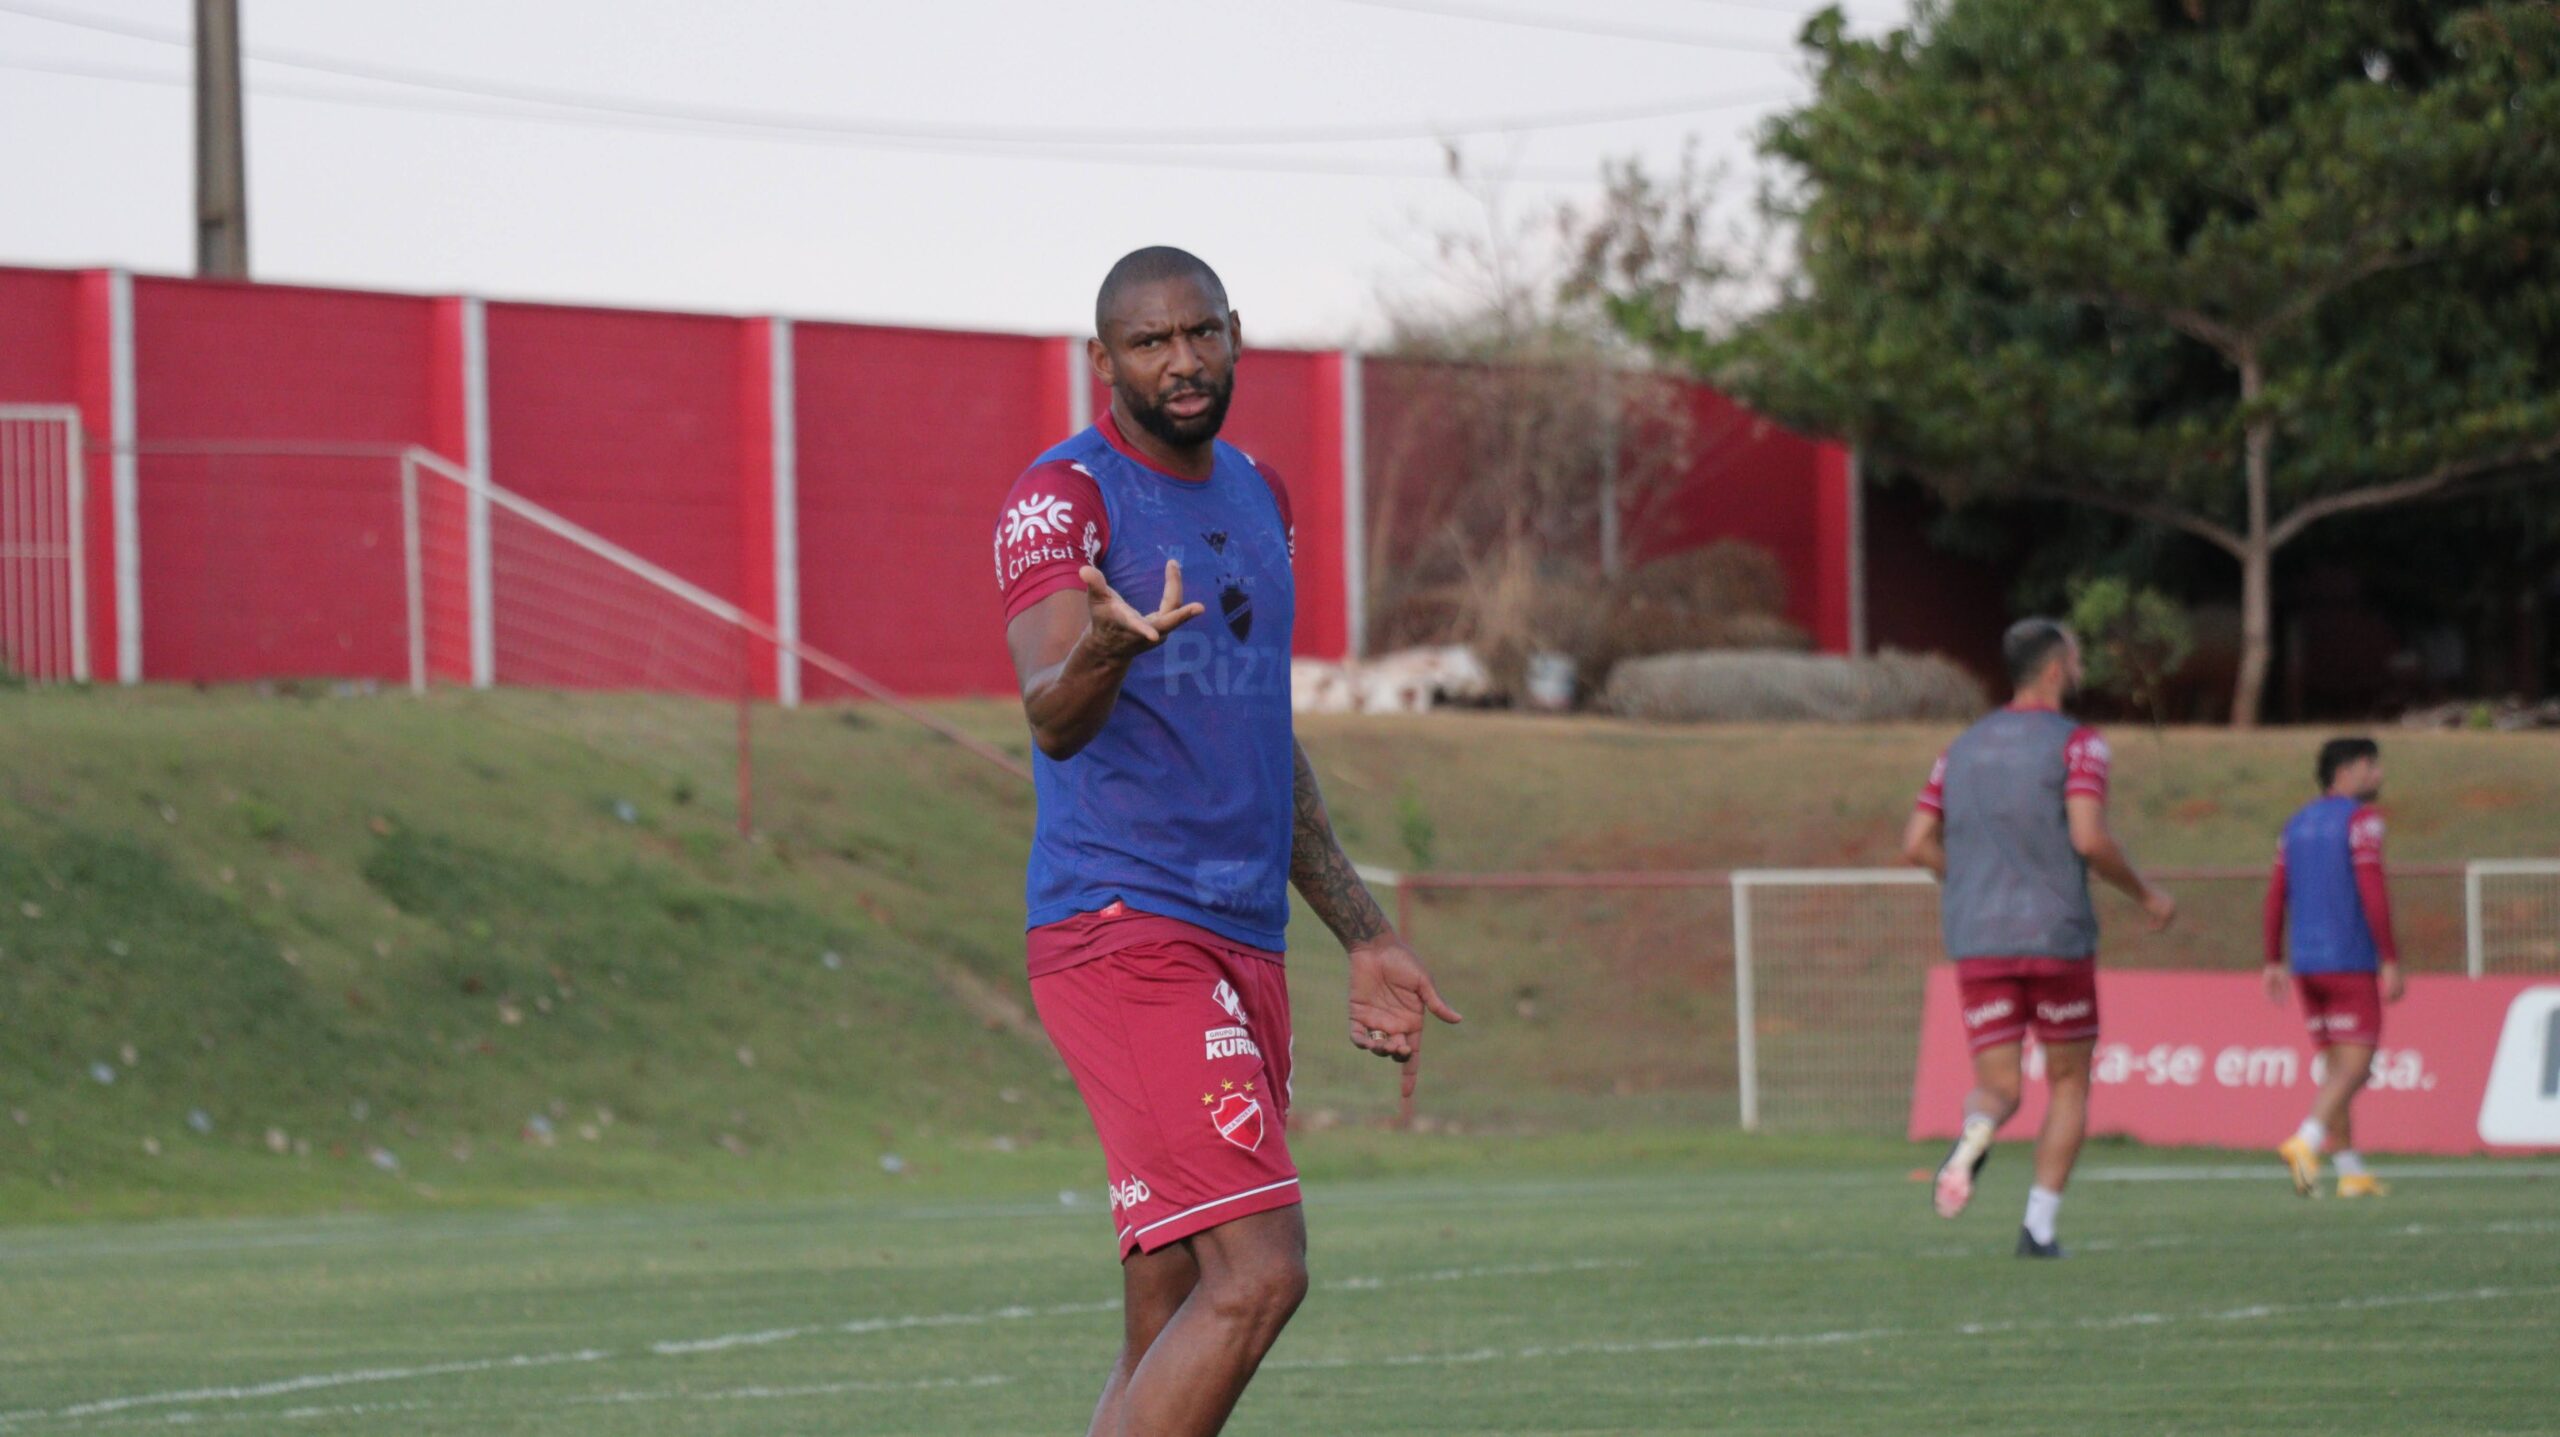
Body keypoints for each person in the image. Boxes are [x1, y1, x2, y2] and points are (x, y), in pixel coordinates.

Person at [994, 246, 1461, 1437]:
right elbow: (1049, 712)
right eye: (1149, 342)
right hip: (1124, 931)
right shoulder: (1063, 499)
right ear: (1104, 361)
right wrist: (1107, 648)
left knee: (1176, 1313)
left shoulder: (1261, 494)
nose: (1182, 360)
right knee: (1259, 1275)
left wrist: (1363, 931)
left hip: (1237, 940)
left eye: (1200, 332)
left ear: (1237, 334)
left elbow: (1264, 740)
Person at [1902, 618, 2176, 1258]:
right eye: (2076, 660)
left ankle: (1976, 1132)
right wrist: (2145, 894)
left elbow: (1915, 843)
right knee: (2069, 1084)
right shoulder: (2078, 745)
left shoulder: (1960, 749)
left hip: (1978, 939)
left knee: (1997, 1087)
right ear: (2056, 669)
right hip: (2055, 937)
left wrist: (1966, 880)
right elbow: (2089, 838)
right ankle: (2039, 1226)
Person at [2265, 737, 2404, 1199]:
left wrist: (2272, 958)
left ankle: (2348, 1169)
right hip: (2348, 959)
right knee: (2357, 1067)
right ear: (2347, 770)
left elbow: (2276, 893)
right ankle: (2304, 1141)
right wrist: (2390, 958)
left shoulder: (2297, 823)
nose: (2378, 776)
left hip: (2307, 963)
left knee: (2335, 1070)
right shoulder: (2361, 821)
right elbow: (2372, 889)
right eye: (2372, 766)